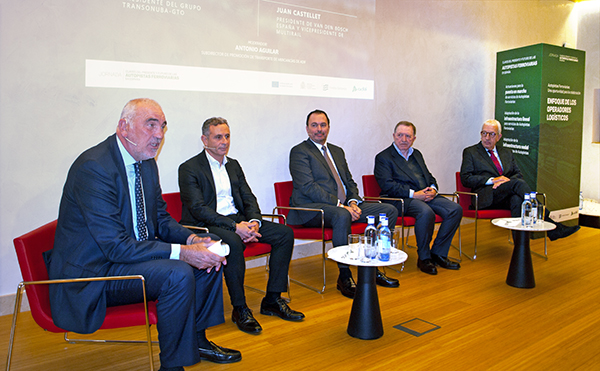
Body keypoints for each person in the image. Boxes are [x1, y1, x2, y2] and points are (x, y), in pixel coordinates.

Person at [44, 99, 241, 371]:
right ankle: (172, 367)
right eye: (151, 125)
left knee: (209, 257)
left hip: (128, 258)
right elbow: (115, 247)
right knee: (178, 273)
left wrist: (192, 240)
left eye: (162, 126)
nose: (159, 135)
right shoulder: (94, 168)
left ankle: (197, 341)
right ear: (124, 127)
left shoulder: (146, 162)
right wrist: (182, 253)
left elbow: (160, 217)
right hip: (95, 273)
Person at [179, 117, 304, 335]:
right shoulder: (189, 168)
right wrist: (235, 227)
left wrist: (254, 222)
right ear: (204, 139)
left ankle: (272, 300)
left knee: (284, 234)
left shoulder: (233, 165)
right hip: (206, 226)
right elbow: (199, 209)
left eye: (227, 136)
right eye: (218, 137)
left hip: (237, 220)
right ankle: (240, 308)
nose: (224, 141)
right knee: (234, 243)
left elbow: (248, 197)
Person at [288, 109, 400, 299]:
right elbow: (308, 187)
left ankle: (374, 268)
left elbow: (349, 181)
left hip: (344, 206)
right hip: (312, 209)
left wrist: (354, 201)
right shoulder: (299, 152)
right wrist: (342, 206)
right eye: (314, 125)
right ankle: (345, 276)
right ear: (307, 129)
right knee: (342, 215)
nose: (319, 129)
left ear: (329, 128)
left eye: (323, 125)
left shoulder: (337, 151)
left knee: (388, 210)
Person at [460, 119, 580, 240]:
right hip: (485, 196)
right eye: (484, 133)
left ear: (499, 137)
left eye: (492, 134)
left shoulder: (506, 152)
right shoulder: (471, 152)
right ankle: (547, 219)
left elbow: (517, 174)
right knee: (517, 184)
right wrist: (493, 180)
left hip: (506, 196)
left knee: (517, 200)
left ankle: (520, 247)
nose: (487, 138)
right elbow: (466, 178)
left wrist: (505, 181)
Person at [374, 121, 463, 275]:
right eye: (400, 135)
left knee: (455, 209)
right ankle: (424, 257)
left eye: (407, 136)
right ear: (393, 136)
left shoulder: (416, 154)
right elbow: (388, 185)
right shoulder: (384, 157)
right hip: (400, 199)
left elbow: (428, 176)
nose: (403, 139)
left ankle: (439, 253)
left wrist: (433, 189)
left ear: (413, 138)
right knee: (425, 212)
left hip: (425, 195)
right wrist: (414, 195)